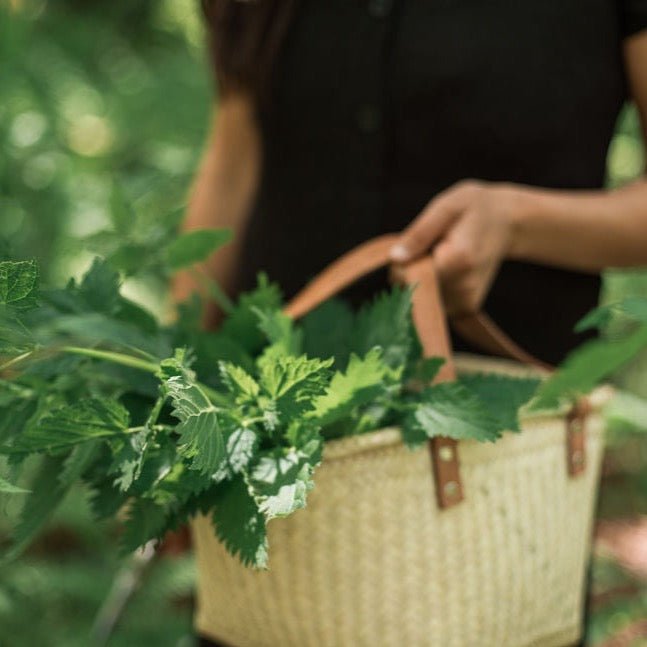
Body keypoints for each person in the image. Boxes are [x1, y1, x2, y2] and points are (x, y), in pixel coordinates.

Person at [174, 1, 647, 645]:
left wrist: (516, 221)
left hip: (493, 480)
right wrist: (178, 400)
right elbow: (235, 152)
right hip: (273, 457)